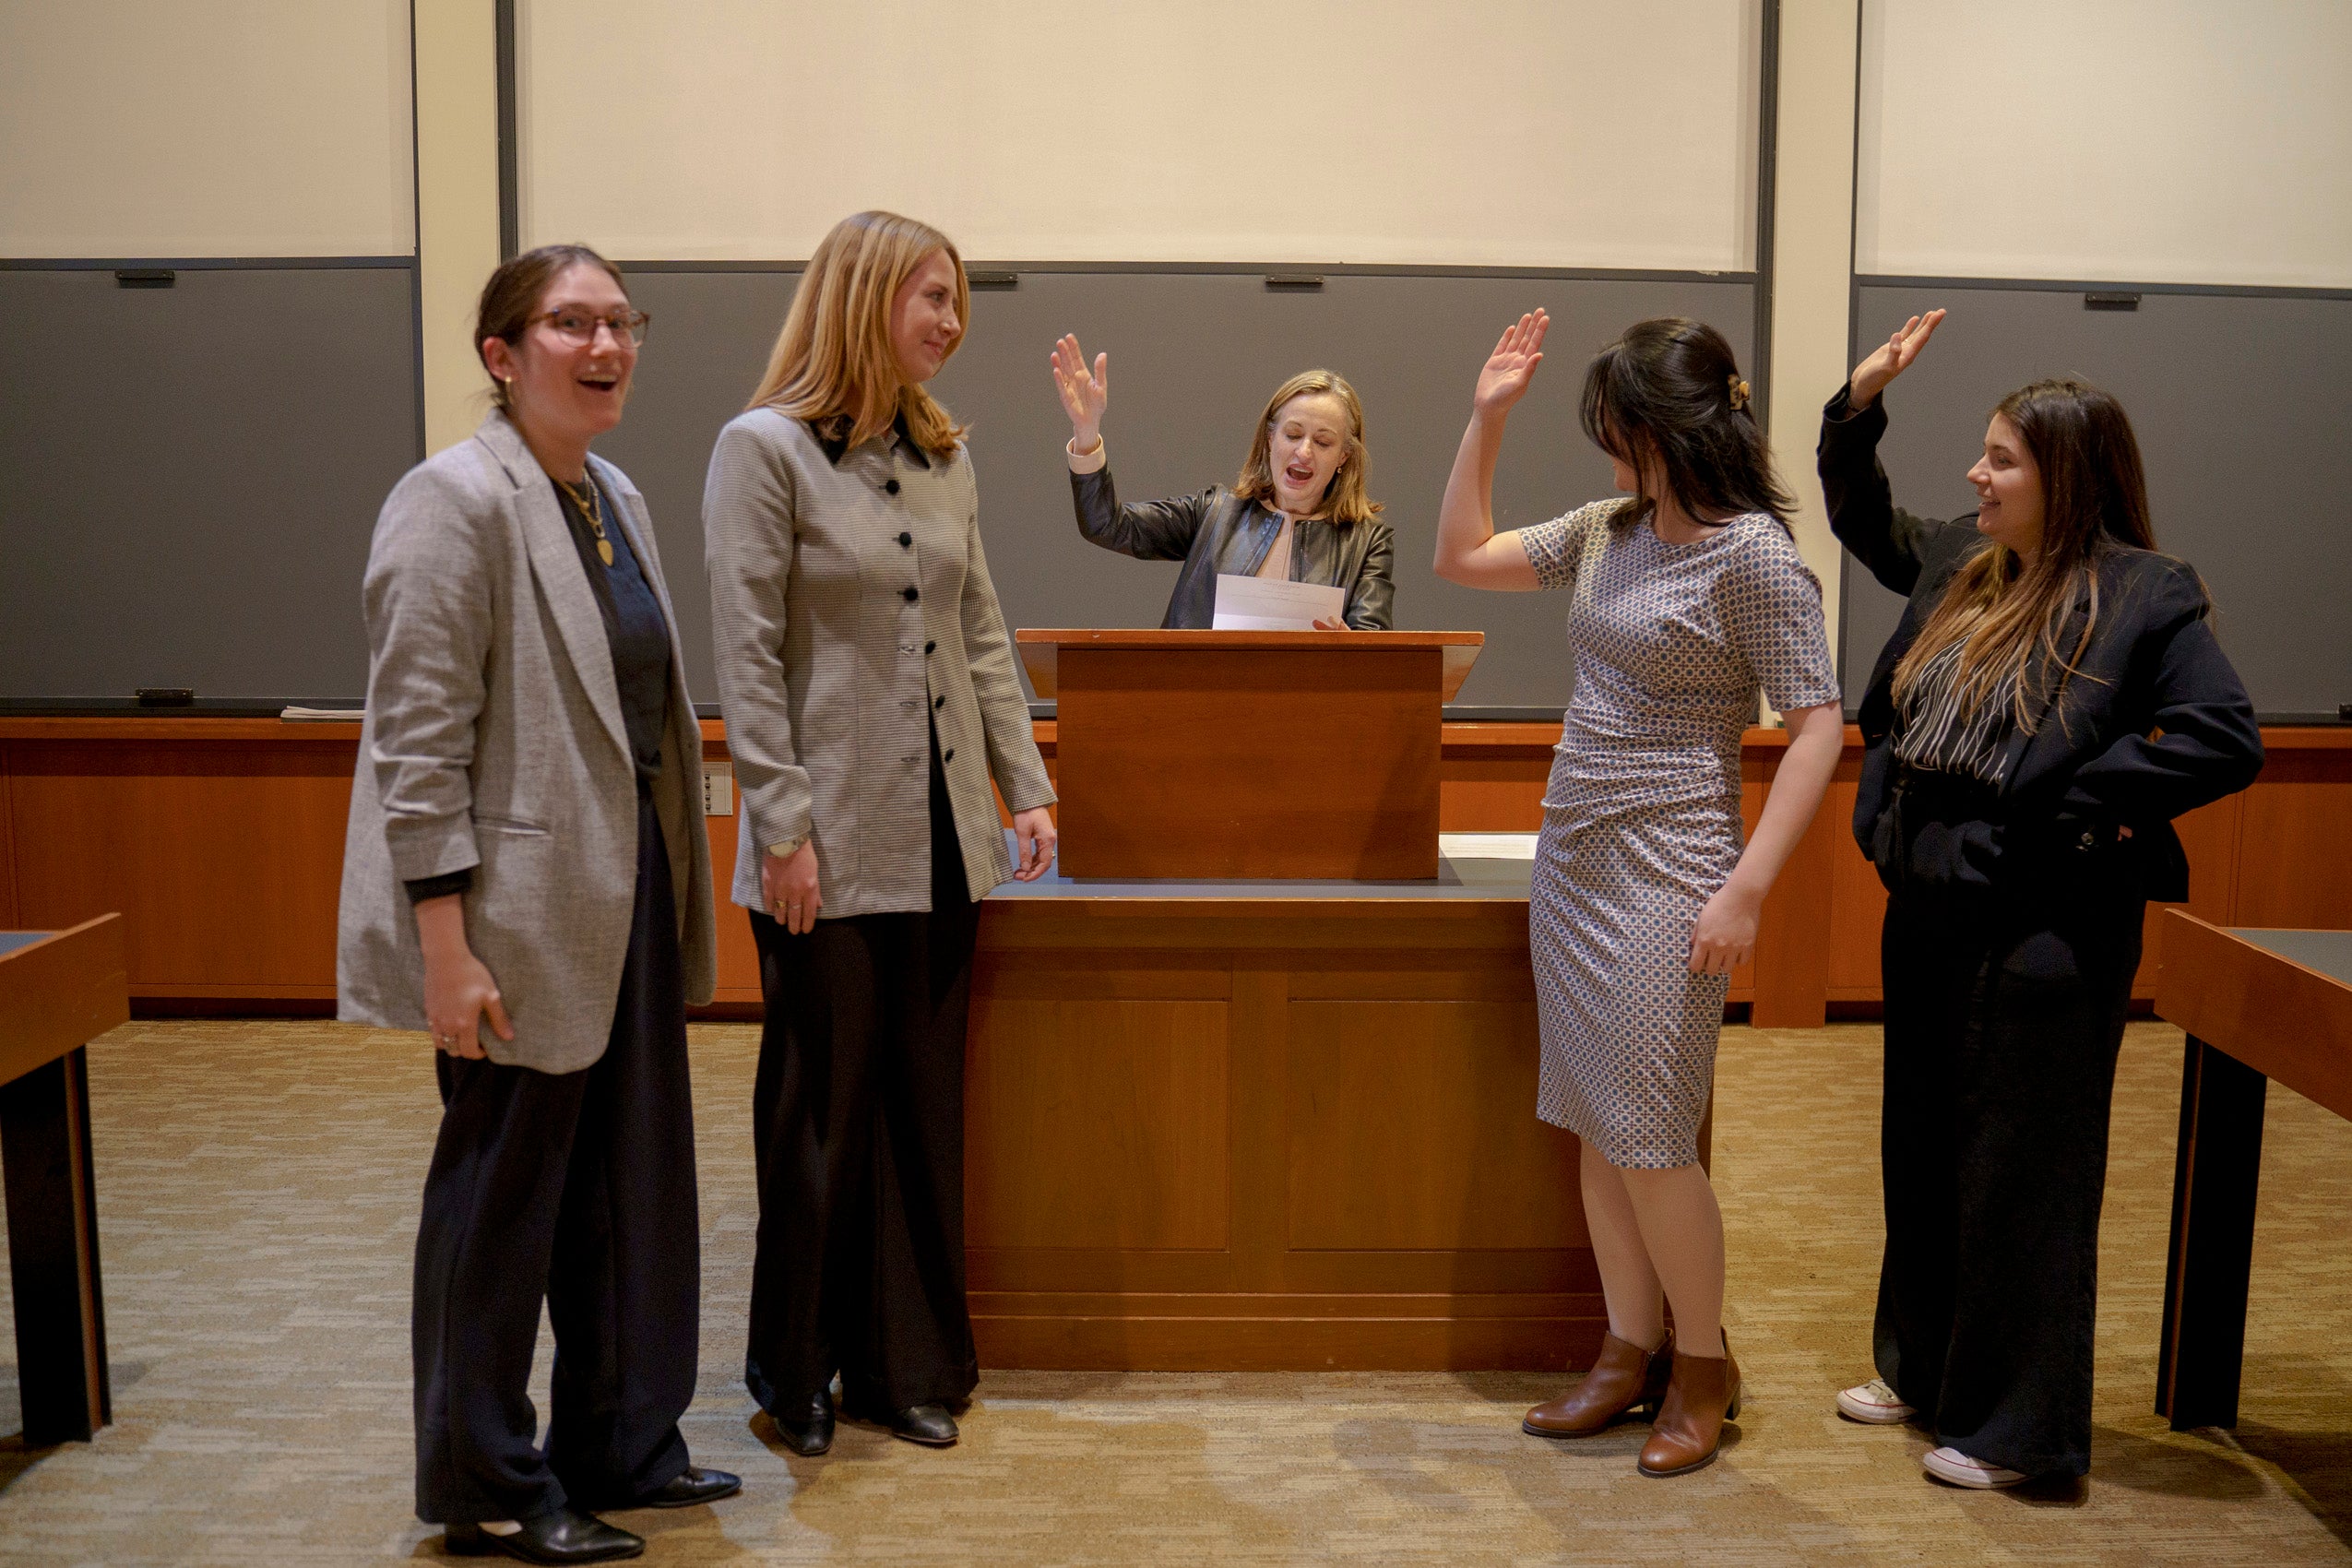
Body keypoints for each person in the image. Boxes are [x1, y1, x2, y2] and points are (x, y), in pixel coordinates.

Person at [338, 244, 737, 1565]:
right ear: (502, 356)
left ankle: (621, 1440)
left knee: (629, 1185)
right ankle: (482, 1479)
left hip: (619, 892)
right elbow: (415, 746)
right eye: (571, 323)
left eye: (621, 320)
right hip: (505, 914)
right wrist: (443, 949)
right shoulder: (451, 501)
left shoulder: (609, 490)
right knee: (501, 1206)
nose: (606, 343)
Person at [1821, 311, 2263, 1489]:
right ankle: (1921, 1368)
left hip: (2046, 921)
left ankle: (2019, 1433)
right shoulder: (1966, 562)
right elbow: (1861, 514)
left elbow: (2223, 735)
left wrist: (2084, 798)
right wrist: (1858, 406)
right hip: (1926, 903)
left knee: (2024, 1168)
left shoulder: (2143, 593)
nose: (1977, 474)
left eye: (2002, 458)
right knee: (1919, 1145)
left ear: (2066, 474)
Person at [1434, 312, 1845, 1478]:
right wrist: (1487, 417)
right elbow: (1461, 555)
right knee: (1597, 1123)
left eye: (1623, 434)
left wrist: (1749, 885)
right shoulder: (1609, 528)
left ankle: (1702, 1367)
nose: (1611, 455)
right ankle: (1627, 1347)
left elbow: (1817, 724)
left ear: (1675, 430)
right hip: (1575, 855)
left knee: (1656, 1130)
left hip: (1679, 862)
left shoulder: (1756, 552)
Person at [705, 210, 1059, 1456]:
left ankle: (905, 1366)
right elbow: (744, 656)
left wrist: (1024, 784)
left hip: (945, 831)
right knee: (821, 1114)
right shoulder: (763, 452)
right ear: (861, 300)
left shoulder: (947, 454)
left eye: (957, 300)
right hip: (825, 837)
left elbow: (980, 634)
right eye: (929, 296)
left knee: (918, 1104)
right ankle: (792, 1371)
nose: (949, 321)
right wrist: (779, 825)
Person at [1050, 339, 1395, 628]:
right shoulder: (1215, 513)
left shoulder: (1367, 541)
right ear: (1270, 438)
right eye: (1292, 434)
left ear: (1344, 457)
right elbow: (1107, 525)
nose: (1304, 452)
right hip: (1196, 702)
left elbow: (1372, 649)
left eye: (1323, 442)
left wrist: (1351, 648)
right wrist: (1086, 433)